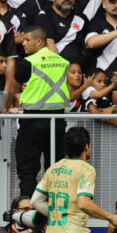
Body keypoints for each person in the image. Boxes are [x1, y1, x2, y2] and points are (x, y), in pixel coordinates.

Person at [13, 25, 70, 196]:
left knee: (28, 169)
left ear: (39, 42)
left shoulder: (29, 62)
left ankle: (28, 213)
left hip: (33, 120)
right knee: (55, 169)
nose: (23, 43)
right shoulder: (62, 61)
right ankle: (55, 212)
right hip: (57, 120)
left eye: (27, 40)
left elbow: (16, 84)